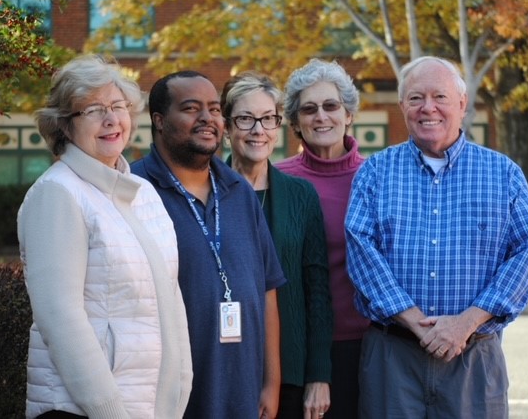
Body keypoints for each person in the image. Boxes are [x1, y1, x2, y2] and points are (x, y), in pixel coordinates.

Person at [345, 56, 528, 418]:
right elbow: (362, 251)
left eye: (440, 96)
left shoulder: (504, 175)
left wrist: (464, 323)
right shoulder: (375, 173)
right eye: (416, 98)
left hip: (474, 357)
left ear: (463, 104)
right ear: (402, 105)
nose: (428, 108)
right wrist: (420, 325)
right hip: (394, 357)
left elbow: (526, 253)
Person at [17, 54, 192, 419]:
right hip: (84, 411)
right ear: (65, 125)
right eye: (93, 110)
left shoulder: (142, 193)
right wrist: (109, 410)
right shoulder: (57, 193)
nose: (111, 119)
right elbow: (59, 316)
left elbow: (169, 297)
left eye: (117, 106)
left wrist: (180, 386)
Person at [130, 71, 287, 419]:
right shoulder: (133, 191)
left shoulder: (239, 192)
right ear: (159, 120)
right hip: (167, 398)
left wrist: (271, 383)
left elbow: (267, 290)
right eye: (190, 108)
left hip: (242, 392)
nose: (207, 119)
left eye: (215, 109)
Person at [221, 71, 333, 419]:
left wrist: (318, 375)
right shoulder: (206, 194)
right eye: (245, 118)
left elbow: (317, 290)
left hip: (290, 369)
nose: (258, 129)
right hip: (223, 366)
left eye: (268, 118)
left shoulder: (300, 196)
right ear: (226, 127)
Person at [275, 59, 370, 419]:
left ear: (348, 114)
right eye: (308, 109)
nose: (321, 117)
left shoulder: (377, 178)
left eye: (331, 106)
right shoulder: (278, 180)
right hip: (299, 348)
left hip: (369, 344)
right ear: (296, 122)